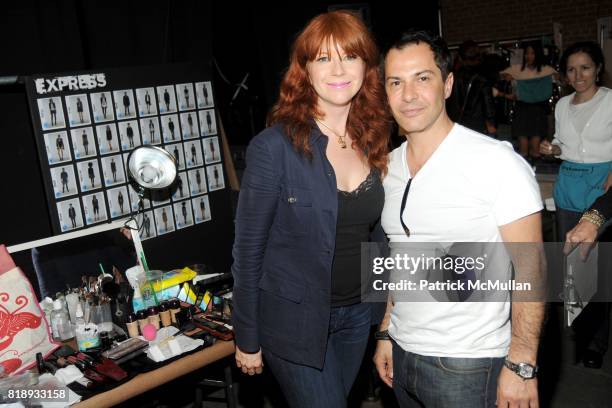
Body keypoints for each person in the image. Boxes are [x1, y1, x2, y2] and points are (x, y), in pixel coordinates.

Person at [373, 30, 544, 407]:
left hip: (469, 364)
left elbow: (531, 269)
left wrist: (522, 364)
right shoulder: (388, 169)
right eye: (396, 82)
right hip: (403, 353)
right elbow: (396, 262)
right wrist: (386, 332)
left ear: (448, 84)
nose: (409, 95)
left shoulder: (496, 162)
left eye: (423, 78)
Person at [231, 11, 390, 407]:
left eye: (349, 56)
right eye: (323, 58)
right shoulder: (275, 148)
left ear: (366, 66)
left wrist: (386, 317)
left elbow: (378, 235)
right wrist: (246, 336)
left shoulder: (373, 139)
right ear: (305, 70)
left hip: (357, 316)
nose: (338, 69)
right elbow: (248, 252)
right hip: (295, 324)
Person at [540, 41, 612, 369]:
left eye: (585, 67)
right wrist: (552, 149)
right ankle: (579, 334)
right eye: (571, 69)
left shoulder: (610, 101)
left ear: (598, 68)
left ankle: (597, 342)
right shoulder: (562, 104)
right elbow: (562, 142)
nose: (578, 74)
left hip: (601, 188)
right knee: (571, 268)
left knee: (597, 270)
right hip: (568, 184)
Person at [500, 42, 556, 162]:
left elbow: (554, 85)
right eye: (527, 53)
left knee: (535, 149)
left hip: (537, 110)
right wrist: (507, 77)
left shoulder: (546, 70)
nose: (528, 56)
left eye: (532, 53)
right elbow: (501, 75)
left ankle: (535, 174)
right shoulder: (518, 69)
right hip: (522, 109)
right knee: (523, 150)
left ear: (538, 54)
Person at [447, 40, 496, 135]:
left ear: (460, 58)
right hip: (476, 125)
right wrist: (491, 123)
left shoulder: (451, 77)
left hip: (454, 124)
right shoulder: (482, 78)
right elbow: (488, 104)